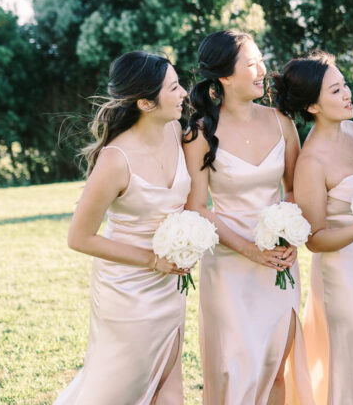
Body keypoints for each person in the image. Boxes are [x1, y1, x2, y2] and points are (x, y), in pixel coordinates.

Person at [182, 30, 312, 405]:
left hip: (279, 262)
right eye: (251, 62)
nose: (262, 69)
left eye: (261, 59)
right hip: (229, 266)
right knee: (236, 369)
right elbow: (197, 207)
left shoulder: (281, 122)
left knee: (275, 366)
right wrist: (250, 250)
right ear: (224, 76)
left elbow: (292, 188)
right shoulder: (200, 134)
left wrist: (288, 238)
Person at [55, 51, 191, 405]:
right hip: (128, 291)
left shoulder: (175, 130)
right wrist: (152, 260)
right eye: (174, 88)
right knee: (120, 390)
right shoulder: (115, 160)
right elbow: (79, 238)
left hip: (171, 285)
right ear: (146, 102)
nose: (183, 94)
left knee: (168, 385)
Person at [282, 51, 353, 405]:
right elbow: (314, 239)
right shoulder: (311, 161)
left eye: (344, 85)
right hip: (341, 275)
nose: (347, 94)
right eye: (335, 91)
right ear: (312, 106)